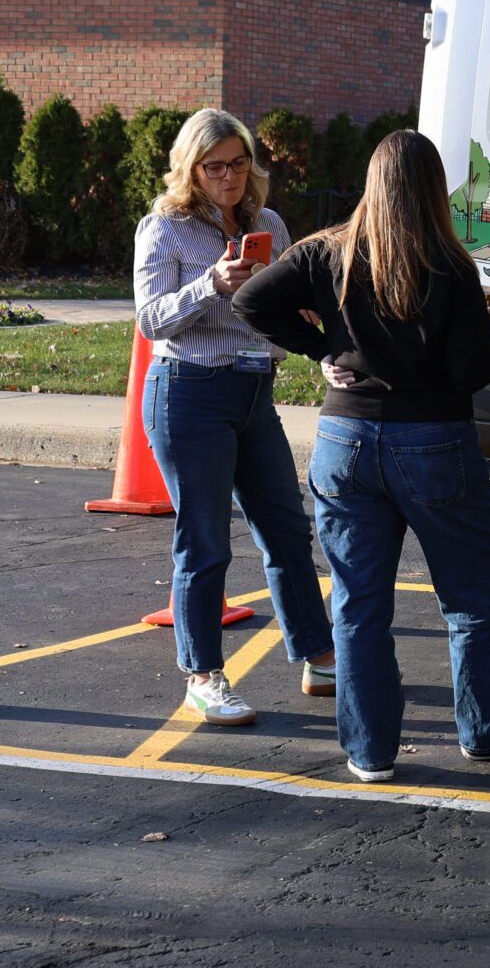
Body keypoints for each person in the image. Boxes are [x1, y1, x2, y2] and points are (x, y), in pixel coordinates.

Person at [233, 130, 490, 783]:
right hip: (434, 443)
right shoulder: (450, 266)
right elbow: (472, 372)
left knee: (358, 604)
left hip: (344, 443)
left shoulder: (326, 252)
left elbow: (249, 299)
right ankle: (487, 731)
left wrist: (323, 348)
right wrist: (489, 324)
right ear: (433, 190)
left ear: (372, 184)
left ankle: (369, 752)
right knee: (475, 594)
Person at [132, 109, 335, 728]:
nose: (230, 176)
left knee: (286, 530)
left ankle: (321, 657)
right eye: (215, 166)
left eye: (239, 163)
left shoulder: (267, 223)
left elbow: (286, 304)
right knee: (205, 541)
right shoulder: (164, 227)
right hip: (188, 393)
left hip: (253, 392)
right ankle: (202, 676)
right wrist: (210, 285)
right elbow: (150, 319)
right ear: (190, 169)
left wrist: (310, 320)